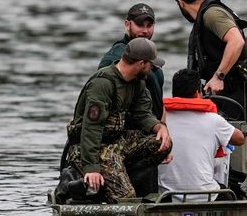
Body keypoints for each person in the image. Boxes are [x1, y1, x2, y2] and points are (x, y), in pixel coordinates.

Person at [64, 38, 172, 203]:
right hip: (89, 148)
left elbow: (143, 114)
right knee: (126, 199)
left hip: (116, 143)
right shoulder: (103, 84)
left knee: (162, 143)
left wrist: (160, 127)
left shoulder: (138, 83)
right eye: (151, 65)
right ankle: (89, 187)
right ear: (141, 64)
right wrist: (91, 168)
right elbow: (91, 128)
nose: (152, 69)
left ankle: (120, 177)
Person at [173, 0, 247, 121]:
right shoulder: (203, 18)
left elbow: (237, 41)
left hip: (236, 92)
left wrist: (218, 77)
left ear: (180, 3)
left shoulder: (212, 14)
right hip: (225, 93)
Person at [158, 68, 245, 202]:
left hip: (167, 197)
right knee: (232, 193)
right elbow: (240, 139)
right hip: (206, 196)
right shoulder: (213, 120)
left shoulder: (160, 121)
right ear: (197, 93)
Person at [99, 3, 165, 122]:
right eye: (140, 25)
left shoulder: (151, 56)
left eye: (149, 25)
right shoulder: (115, 57)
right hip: (129, 131)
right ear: (127, 24)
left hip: (154, 127)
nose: (145, 31)